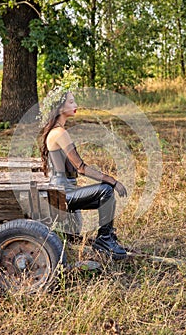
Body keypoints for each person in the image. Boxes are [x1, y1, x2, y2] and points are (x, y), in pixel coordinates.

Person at [41, 89, 127, 260]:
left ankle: (107, 236)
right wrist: (113, 181)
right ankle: (104, 239)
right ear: (59, 108)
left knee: (106, 197)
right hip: (62, 194)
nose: (76, 105)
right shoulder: (59, 133)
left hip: (64, 191)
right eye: (71, 102)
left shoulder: (57, 131)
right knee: (106, 190)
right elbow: (80, 167)